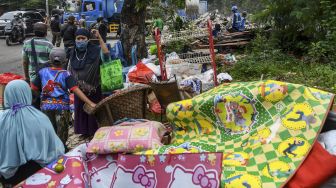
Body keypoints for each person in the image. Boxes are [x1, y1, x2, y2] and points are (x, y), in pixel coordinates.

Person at [0, 80, 64, 186]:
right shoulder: (41, 118)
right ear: (27, 93)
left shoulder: (1, 119)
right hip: (39, 172)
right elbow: (54, 148)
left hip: (11, 177)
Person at [31, 48, 96, 148]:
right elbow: (76, 90)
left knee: (49, 131)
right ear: (65, 61)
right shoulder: (66, 74)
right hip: (62, 108)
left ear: (50, 59)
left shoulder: (42, 72)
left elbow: (33, 88)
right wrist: (90, 102)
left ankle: (49, 152)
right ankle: (61, 153)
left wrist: (42, 97)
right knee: (61, 134)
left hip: (46, 107)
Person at [68, 28, 110, 137]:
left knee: (94, 112)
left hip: (94, 88)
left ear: (88, 39)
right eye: (78, 38)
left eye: (83, 38)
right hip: (79, 90)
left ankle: (95, 133)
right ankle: (84, 133)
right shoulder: (72, 52)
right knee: (81, 111)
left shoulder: (95, 50)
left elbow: (106, 55)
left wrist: (100, 38)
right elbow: (69, 69)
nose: (80, 41)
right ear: (75, 39)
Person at [22, 22, 53, 109]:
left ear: (34, 32)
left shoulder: (27, 43)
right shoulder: (49, 45)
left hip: (33, 77)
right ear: (46, 33)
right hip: (46, 78)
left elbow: (25, 62)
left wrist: (27, 77)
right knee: (46, 102)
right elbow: (53, 63)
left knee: (35, 102)